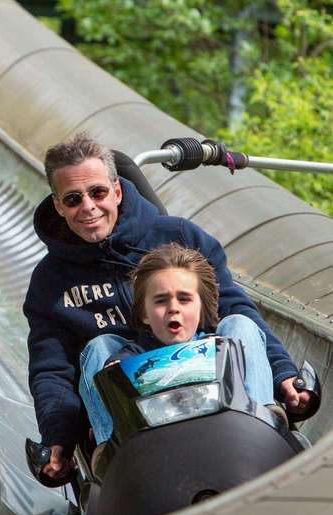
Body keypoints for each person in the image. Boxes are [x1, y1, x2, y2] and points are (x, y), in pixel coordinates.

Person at [23, 133, 309, 482]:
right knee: (100, 346)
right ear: (58, 206)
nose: (88, 207)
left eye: (97, 193)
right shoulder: (49, 281)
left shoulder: (178, 238)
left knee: (237, 325)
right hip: (130, 395)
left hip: (204, 373)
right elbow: (50, 367)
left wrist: (283, 374)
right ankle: (112, 454)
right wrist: (58, 438)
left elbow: (234, 305)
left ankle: (263, 423)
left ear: (117, 191)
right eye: (73, 199)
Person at [93, 244, 284, 438]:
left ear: (201, 309)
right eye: (161, 301)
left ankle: (261, 414)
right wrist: (116, 370)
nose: (173, 308)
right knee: (100, 348)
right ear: (144, 314)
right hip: (156, 440)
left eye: (184, 299)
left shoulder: (217, 347)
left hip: (226, 433)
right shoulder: (134, 353)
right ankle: (110, 440)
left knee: (240, 322)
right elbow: (119, 363)